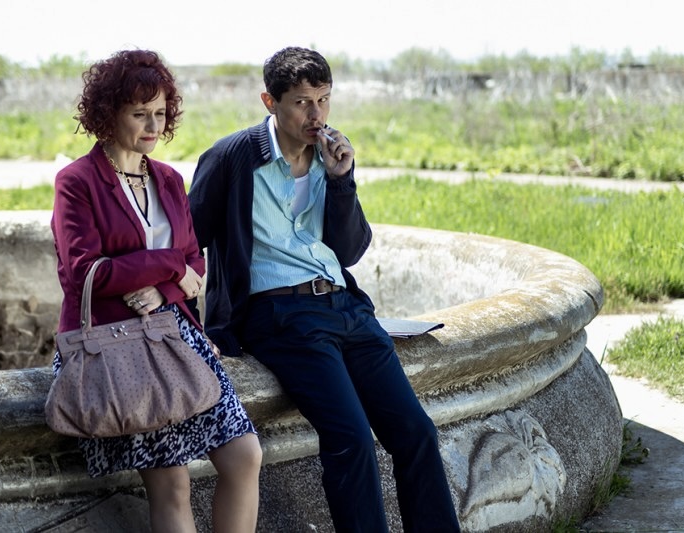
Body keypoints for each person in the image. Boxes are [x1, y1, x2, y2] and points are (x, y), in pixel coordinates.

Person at [188, 46, 460, 532]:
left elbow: (350, 250)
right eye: (302, 103)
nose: (317, 115)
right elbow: (187, 244)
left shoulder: (330, 157)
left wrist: (341, 181)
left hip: (346, 308)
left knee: (416, 430)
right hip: (281, 316)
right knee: (351, 438)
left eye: (324, 99)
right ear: (270, 102)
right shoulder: (232, 157)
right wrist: (193, 328)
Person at [49, 49, 262, 533]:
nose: (153, 126)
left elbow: (194, 262)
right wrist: (168, 266)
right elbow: (84, 273)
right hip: (117, 345)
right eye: (139, 113)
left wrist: (166, 289)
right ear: (109, 114)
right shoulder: (76, 182)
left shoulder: (168, 178)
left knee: (244, 455)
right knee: (172, 485)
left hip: (175, 334)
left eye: (160, 113)